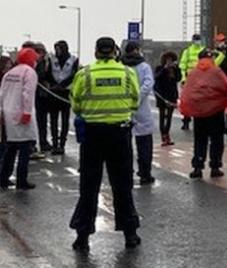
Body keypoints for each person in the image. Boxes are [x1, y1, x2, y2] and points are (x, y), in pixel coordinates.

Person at [69, 37, 141, 252]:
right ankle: (130, 234)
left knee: (89, 186)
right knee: (122, 185)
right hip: (119, 134)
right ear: (115, 52)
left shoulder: (85, 74)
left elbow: (76, 104)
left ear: (96, 52)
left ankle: (82, 237)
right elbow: (135, 101)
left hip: (92, 136)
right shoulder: (127, 73)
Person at [180, 50, 227, 179]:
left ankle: (198, 166)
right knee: (216, 139)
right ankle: (215, 166)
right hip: (216, 111)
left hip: (199, 112)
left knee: (200, 139)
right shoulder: (216, 71)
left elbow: (187, 91)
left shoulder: (193, 73)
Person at [0, 48, 40, 190]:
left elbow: (2, 94)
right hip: (22, 112)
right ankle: (21, 180)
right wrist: (27, 113)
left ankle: (3, 178)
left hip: (8, 113)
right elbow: (27, 94)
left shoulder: (9, 73)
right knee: (25, 148)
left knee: (11, 148)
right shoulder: (29, 73)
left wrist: (1, 113)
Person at [121, 42, 156, 186]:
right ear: (137, 51)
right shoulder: (144, 66)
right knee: (144, 143)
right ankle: (145, 173)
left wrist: (128, 99)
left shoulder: (121, 66)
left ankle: (126, 173)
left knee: (125, 145)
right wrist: (138, 98)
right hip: (142, 108)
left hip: (124, 107)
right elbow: (148, 84)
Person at [47, 40, 78, 155]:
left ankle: (62, 145)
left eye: (59, 48)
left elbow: (74, 75)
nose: (57, 51)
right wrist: (54, 85)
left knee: (65, 120)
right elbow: (49, 73)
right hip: (54, 92)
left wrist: (62, 85)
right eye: (55, 49)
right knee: (53, 120)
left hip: (66, 92)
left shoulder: (73, 59)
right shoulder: (52, 59)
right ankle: (55, 144)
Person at [178, 34, 206, 130]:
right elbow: (182, 66)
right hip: (189, 80)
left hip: (201, 80)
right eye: (196, 39)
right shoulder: (187, 51)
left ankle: (200, 121)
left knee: (200, 101)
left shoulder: (204, 50)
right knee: (187, 102)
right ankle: (186, 121)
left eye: (198, 39)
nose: (197, 41)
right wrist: (183, 78)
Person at [154, 52, 181, 146]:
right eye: (167, 60)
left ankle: (167, 134)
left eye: (171, 60)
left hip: (171, 95)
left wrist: (176, 69)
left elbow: (178, 78)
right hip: (161, 95)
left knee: (169, 116)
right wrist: (164, 69)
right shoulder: (159, 68)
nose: (169, 62)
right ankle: (163, 135)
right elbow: (156, 78)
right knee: (162, 116)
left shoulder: (175, 69)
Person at [32, 43, 54, 157]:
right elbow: (40, 76)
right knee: (39, 120)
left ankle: (43, 141)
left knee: (43, 121)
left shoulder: (46, 62)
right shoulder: (37, 63)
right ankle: (40, 142)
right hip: (37, 94)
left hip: (44, 94)